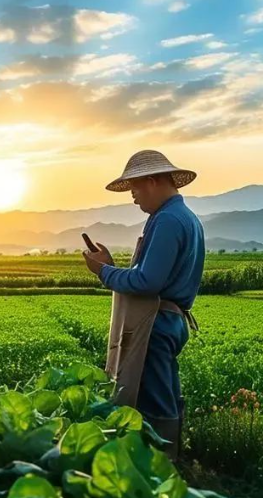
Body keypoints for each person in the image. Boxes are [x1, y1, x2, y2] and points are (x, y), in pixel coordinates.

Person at [81, 150, 205, 460]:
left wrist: (103, 272)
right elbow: (150, 275)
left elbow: (148, 282)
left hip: (157, 324)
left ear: (152, 181)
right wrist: (111, 265)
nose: (133, 197)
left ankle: (161, 469)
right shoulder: (185, 218)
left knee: (152, 401)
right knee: (166, 393)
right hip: (172, 322)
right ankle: (175, 462)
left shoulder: (167, 221)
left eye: (134, 188)